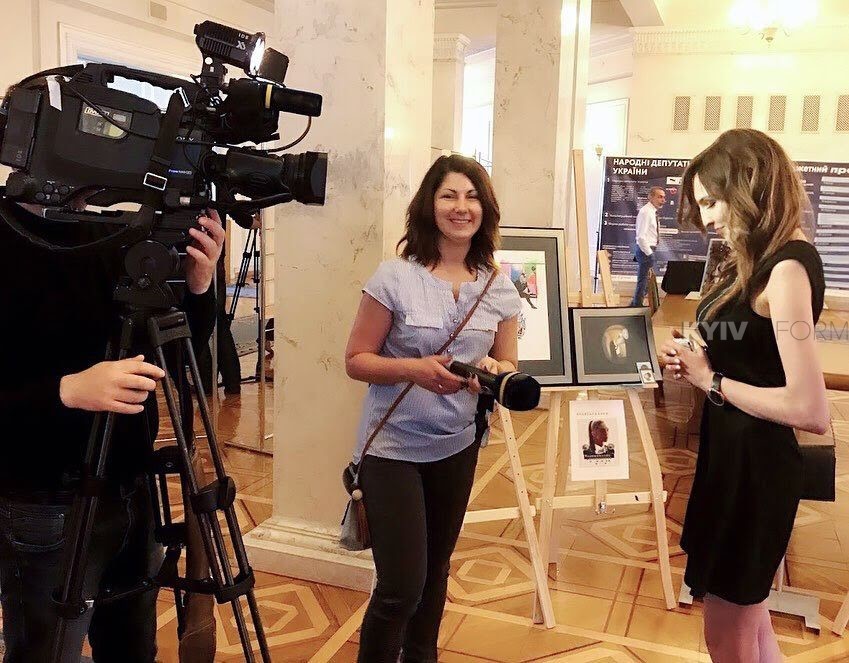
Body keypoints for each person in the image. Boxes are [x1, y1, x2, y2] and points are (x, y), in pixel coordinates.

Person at [0, 198, 223, 662]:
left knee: (133, 649)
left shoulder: (114, 238)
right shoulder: (8, 237)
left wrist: (198, 289)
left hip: (131, 490)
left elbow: (173, 363)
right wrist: (65, 391)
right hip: (43, 501)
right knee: (46, 652)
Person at [659, 129, 829, 662]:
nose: (707, 218)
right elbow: (753, 351)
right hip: (732, 458)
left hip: (755, 472)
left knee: (728, 639)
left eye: (712, 202)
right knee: (754, 631)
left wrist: (710, 381)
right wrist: (698, 354)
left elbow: (810, 410)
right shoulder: (759, 260)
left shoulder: (787, 268)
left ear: (749, 188)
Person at [345, 154, 521, 663]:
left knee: (436, 573)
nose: (461, 207)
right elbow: (356, 360)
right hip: (392, 447)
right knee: (400, 587)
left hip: (457, 445)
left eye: (472, 197)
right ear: (430, 205)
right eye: (449, 195)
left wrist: (495, 371)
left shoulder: (499, 285)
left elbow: (508, 362)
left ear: (485, 210)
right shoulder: (394, 277)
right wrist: (414, 370)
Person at [630, 185, 666, 306]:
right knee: (644, 281)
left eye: (663, 197)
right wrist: (649, 253)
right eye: (660, 197)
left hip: (648, 249)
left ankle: (634, 304)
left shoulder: (652, 212)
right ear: (650, 197)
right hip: (645, 249)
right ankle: (636, 305)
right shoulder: (646, 212)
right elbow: (641, 236)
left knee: (646, 281)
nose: (663, 200)